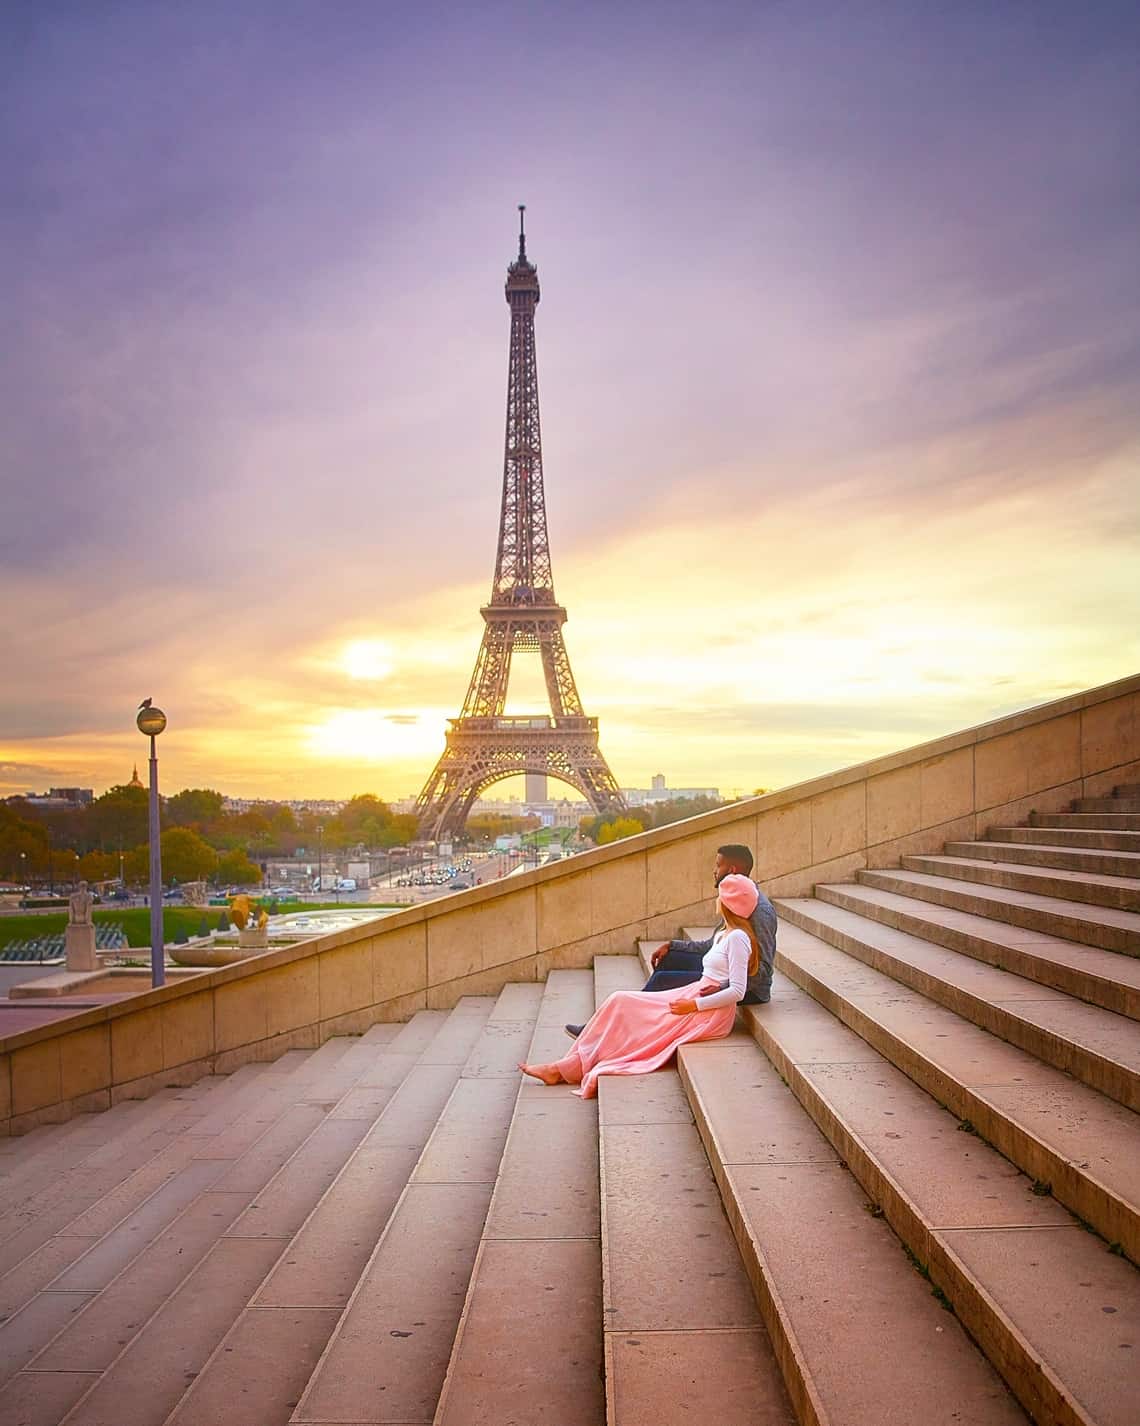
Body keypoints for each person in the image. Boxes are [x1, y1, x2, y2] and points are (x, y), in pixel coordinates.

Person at [518, 873, 760, 1100]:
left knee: (640, 1021)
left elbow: (738, 991)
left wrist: (694, 1005)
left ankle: (560, 1070)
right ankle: (568, 1063)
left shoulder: (738, 938)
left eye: (720, 895)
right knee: (619, 1000)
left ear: (727, 902)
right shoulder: (724, 934)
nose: (716, 898)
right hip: (697, 996)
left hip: (707, 1013)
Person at [563, 843, 776, 1039]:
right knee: (671, 958)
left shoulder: (760, 911)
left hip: (750, 989)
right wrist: (673, 946)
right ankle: (644, 1015)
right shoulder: (737, 898)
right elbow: (712, 946)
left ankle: (623, 1025)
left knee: (664, 979)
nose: (714, 870)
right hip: (726, 972)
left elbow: (763, 970)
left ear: (732, 871)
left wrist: (722, 986)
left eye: (718, 865)